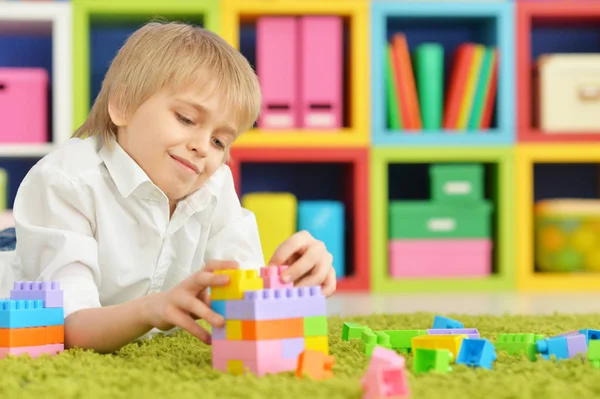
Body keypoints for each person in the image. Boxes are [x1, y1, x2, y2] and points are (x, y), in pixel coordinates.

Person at [0, 21, 336, 354]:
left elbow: (242, 302)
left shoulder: (215, 185)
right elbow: (69, 328)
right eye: (187, 119)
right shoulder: (66, 180)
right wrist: (152, 309)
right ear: (123, 106)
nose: (203, 147)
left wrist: (283, 281)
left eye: (220, 141)